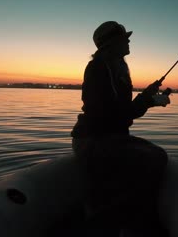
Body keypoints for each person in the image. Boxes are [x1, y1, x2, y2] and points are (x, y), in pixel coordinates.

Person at [70, 21, 170, 231]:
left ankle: (125, 215)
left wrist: (148, 96)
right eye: (125, 37)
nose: (129, 40)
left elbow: (122, 112)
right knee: (156, 157)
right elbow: (112, 115)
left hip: (107, 137)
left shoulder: (115, 68)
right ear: (113, 43)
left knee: (155, 155)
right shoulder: (98, 68)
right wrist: (149, 101)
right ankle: (128, 220)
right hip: (94, 140)